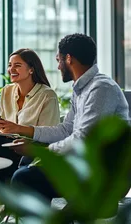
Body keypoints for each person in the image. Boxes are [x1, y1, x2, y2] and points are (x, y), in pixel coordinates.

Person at [11, 33, 130, 202]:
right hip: (84, 164)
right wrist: (28, 134)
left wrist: (42, 151)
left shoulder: (101, 89)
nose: (58, 67)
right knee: (27, 162)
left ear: (68, 59)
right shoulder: (80, 89)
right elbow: (66, 129)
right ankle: (46, 223)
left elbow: (83, 139)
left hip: (102, 173)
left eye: (58, 60)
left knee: (24, 177)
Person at [0, 48, 60, 206]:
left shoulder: (47, 96)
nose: (11, 69)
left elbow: (50, 137)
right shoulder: (7, 91)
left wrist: (16, 129)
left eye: (17, 65)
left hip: (29, 155)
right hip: (6, 151)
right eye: (10, 65)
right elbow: (5, 130)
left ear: (31, 69)